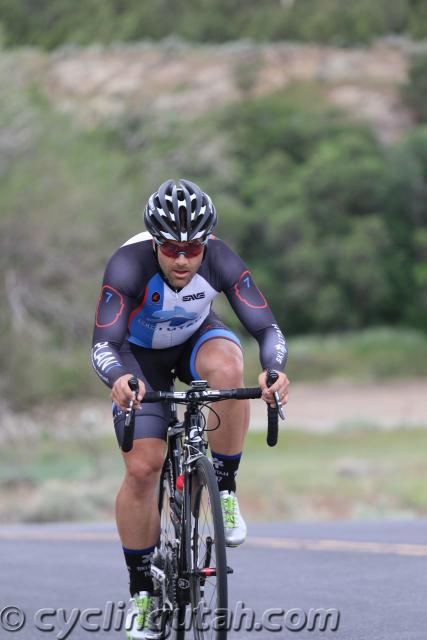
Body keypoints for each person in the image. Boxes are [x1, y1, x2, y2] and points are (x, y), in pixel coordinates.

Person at [91, 178, 289, 639]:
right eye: (173, 248)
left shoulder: (220, 259)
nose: (183, 259)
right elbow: (103, 342)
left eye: (193, 249)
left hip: (193, 341)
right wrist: (118, 380)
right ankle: (142, 593)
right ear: (156, 243)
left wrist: (275, 369)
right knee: (143, 468)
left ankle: (224, 489)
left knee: (229, 365)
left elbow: (267, 328)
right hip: (139, 359)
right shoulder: (127, 265)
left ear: (206, 244)